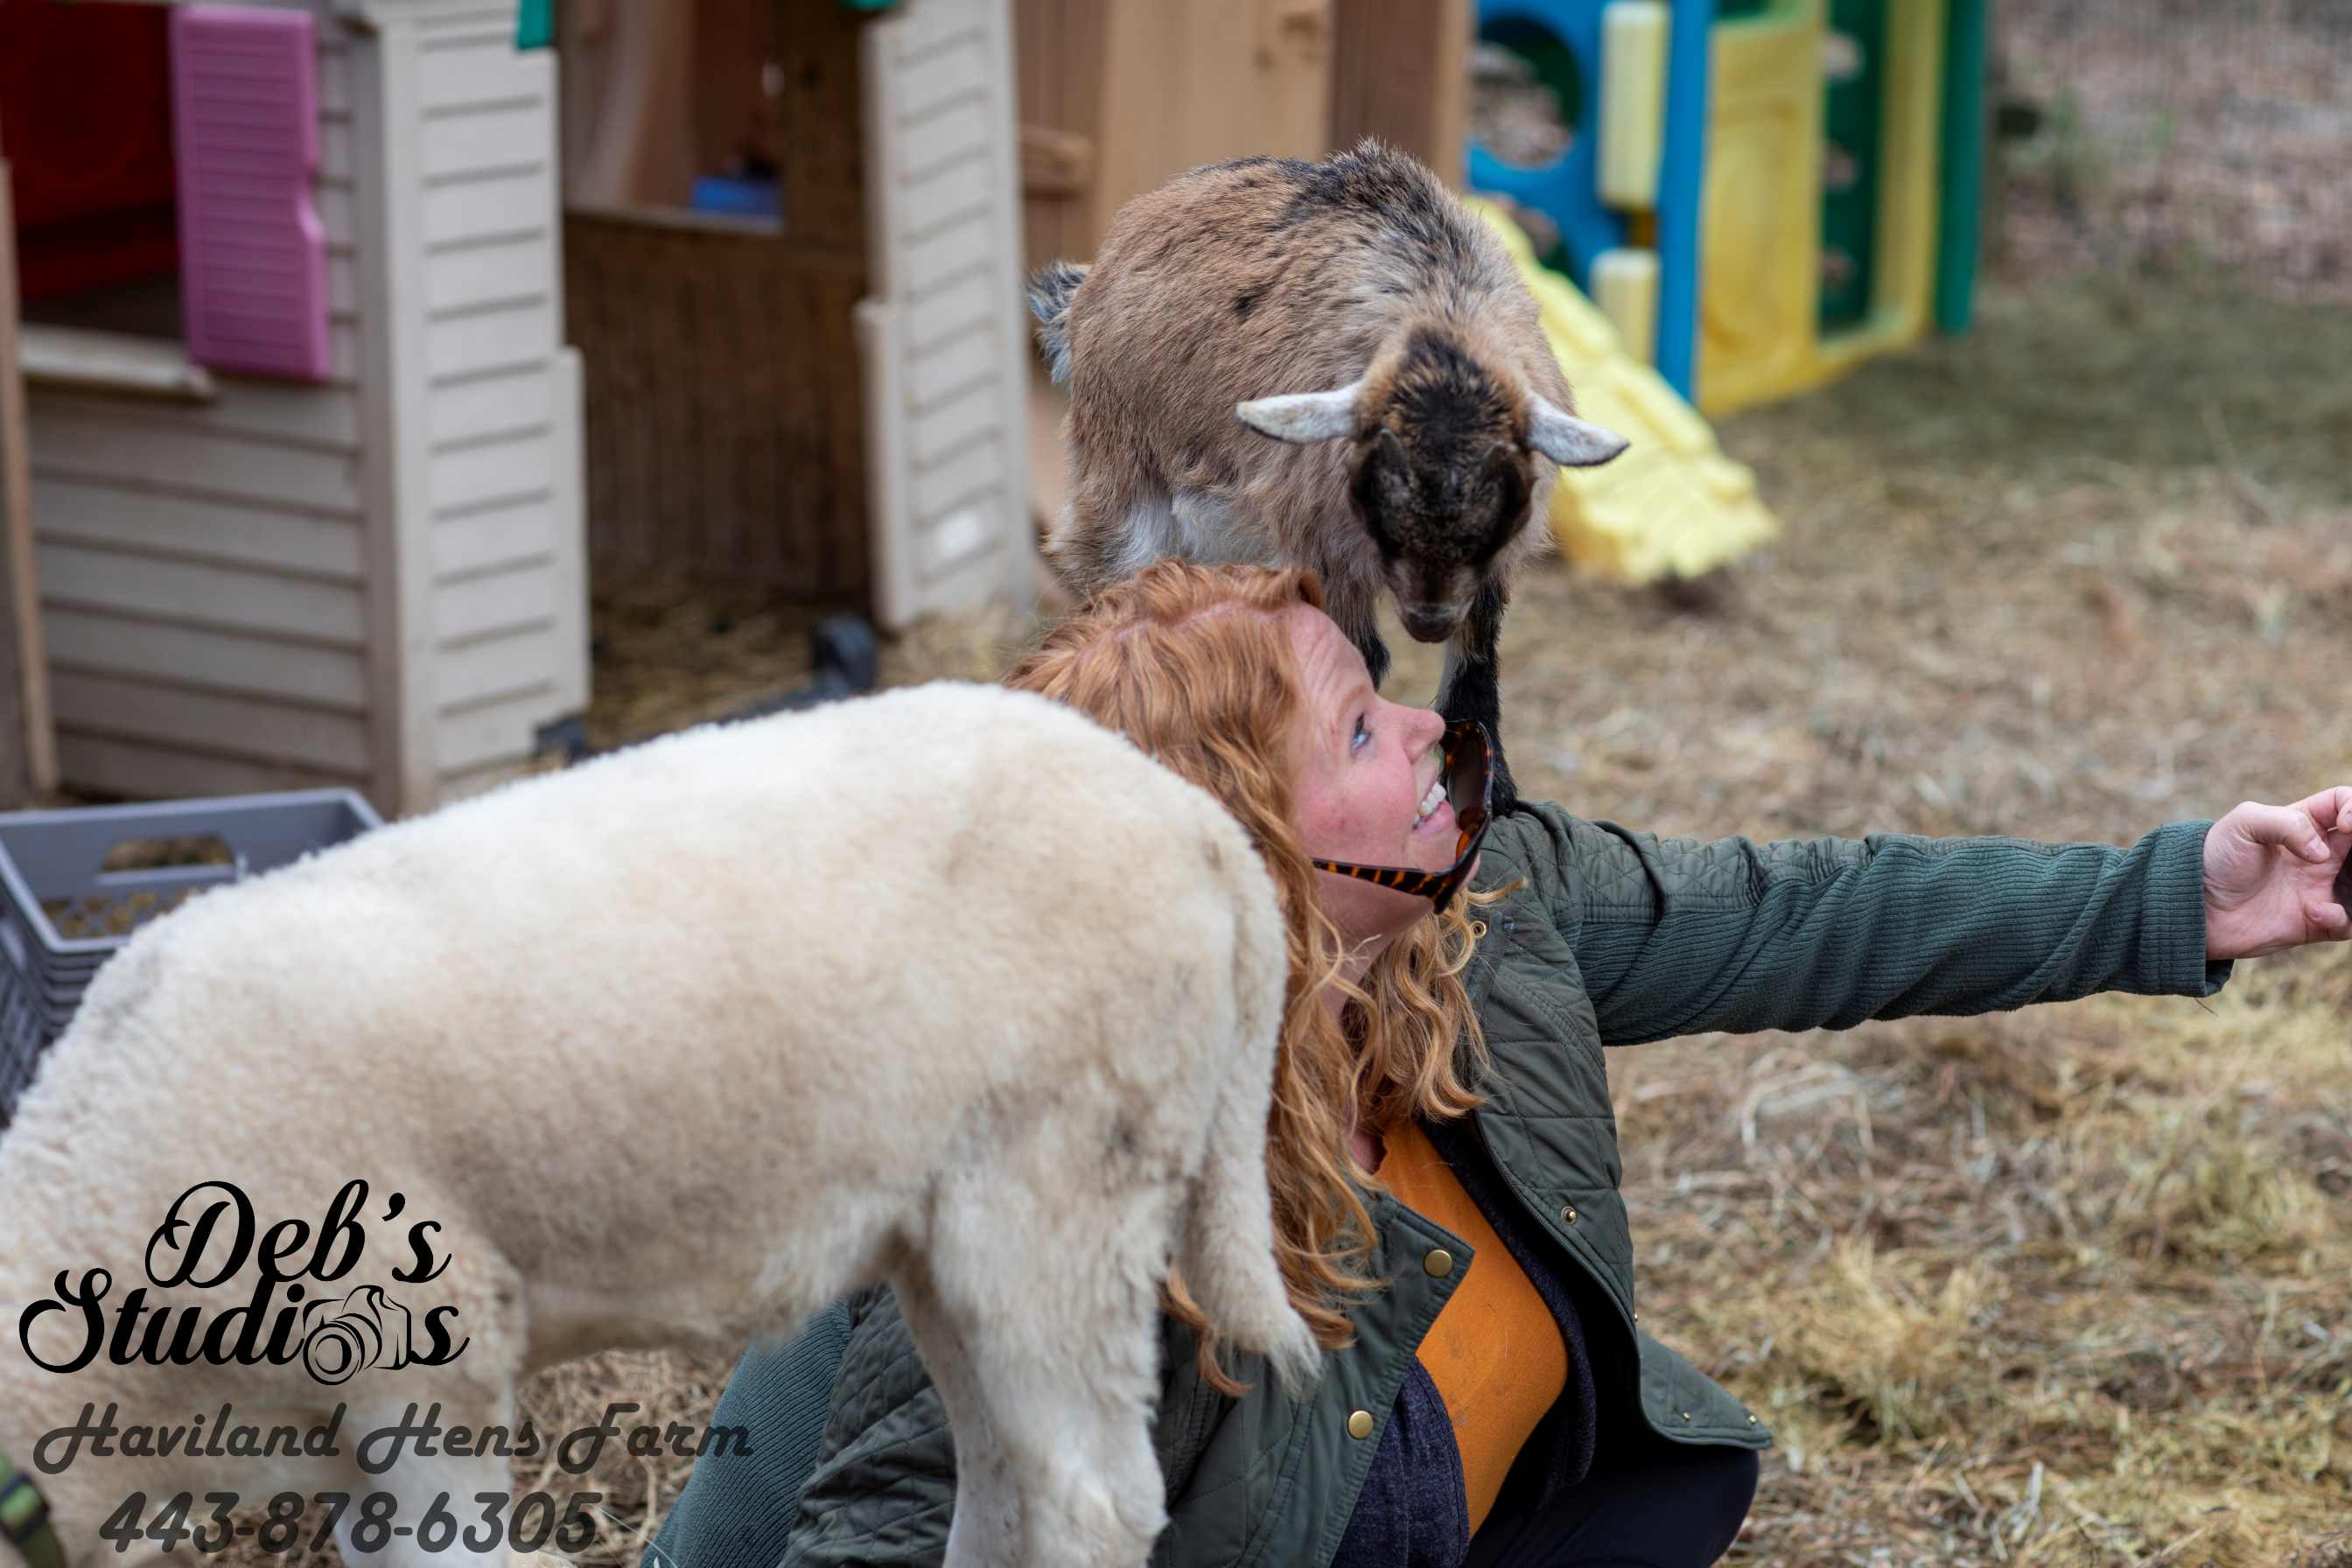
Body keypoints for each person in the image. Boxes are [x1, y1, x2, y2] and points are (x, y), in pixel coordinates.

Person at [644, 561, 2350, 1568]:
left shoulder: (1489, 914)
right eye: (1362, 730)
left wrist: (2180, 891)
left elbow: (1810, 913)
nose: (1432, 735)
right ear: (1240, 849)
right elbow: (879, 1540)